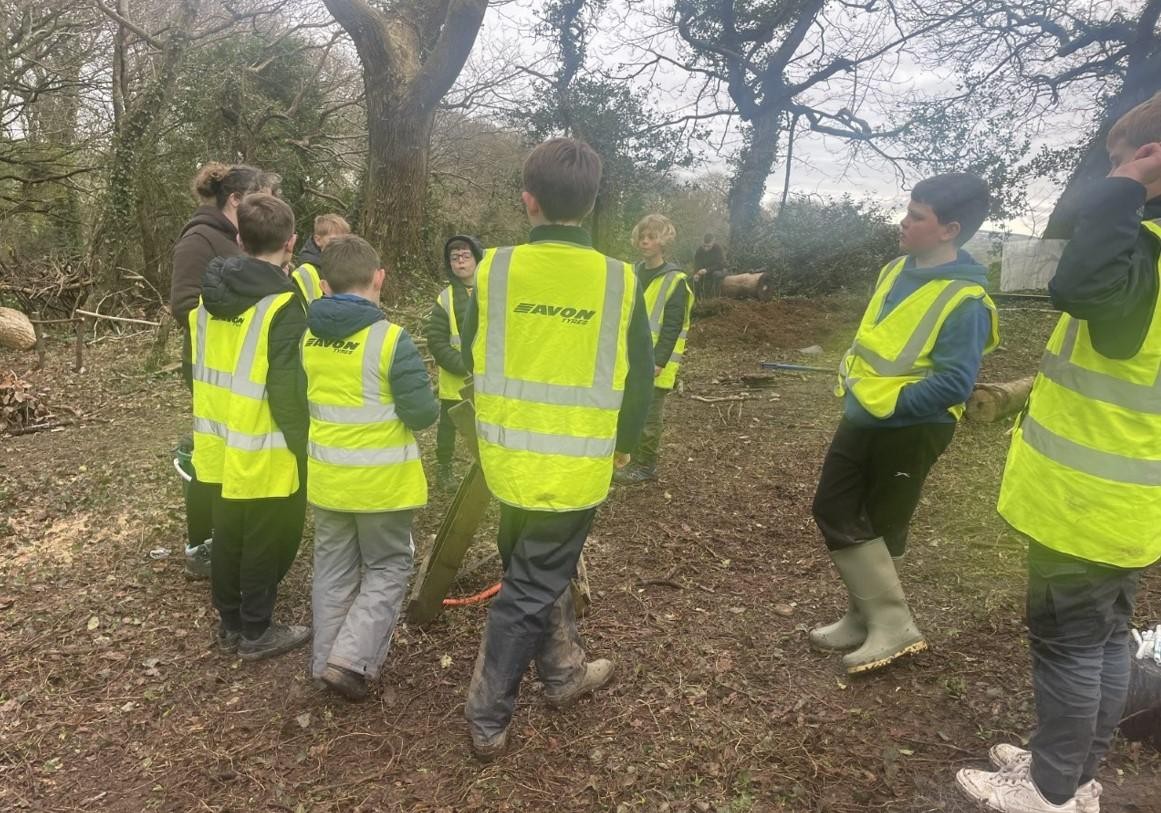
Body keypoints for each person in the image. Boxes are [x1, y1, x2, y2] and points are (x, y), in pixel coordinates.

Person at [956, 95, 1161, 813]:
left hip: (1085, 498)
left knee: (1071, 646)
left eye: (1124, 157)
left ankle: (1047, 790)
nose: (1112, 173)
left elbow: (1074, 287)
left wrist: (1122, 190)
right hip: (1128, 500)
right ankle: (1073, 771)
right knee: (1106, 641)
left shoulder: (1147, 253)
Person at [460, 138, 655, 760]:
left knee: (532, 569)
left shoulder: (491, 269)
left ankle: (566, 672)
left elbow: (470, 347)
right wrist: (623, 445)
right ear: (593, 203)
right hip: (576, 467)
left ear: (528, 201)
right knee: (531, 584)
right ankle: (486, 714)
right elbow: (642, 377)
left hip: (506, 456)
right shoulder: (621, 281)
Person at [809, 173, 998, 675]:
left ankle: (892, 628)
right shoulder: (895, 270)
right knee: (833, 506)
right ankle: (866, 615)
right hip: (864, 415)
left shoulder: (966, 301)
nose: (903, 223)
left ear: (948, 229)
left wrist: (887, 406)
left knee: (882, 520)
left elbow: (955, 383)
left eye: (917, 217)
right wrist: (863, 396)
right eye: (907, 211)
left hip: (913, 427)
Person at [302, 235, 439, 701]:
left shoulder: (307, 338)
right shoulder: (390, 339)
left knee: (333, 569)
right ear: (379, 277)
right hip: (381, 485)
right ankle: (351, 660)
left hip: (328, 480)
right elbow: (421, 413)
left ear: (323, 284)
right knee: (387, 567)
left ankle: (324, 660)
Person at [189, 192, 311, 661]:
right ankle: (258, 631)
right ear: (291, 242)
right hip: (264, 445)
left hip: (219, 439)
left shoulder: (206, 304)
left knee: (228, 533)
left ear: (240, 238)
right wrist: (304, 445)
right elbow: (287, 390)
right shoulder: (282, 308)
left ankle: (231, 623)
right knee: (264, 539)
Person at [171, 163, 279, 580]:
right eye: (261, 198)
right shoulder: (199, 238)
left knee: (238, 451)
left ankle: (231, 535)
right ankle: (200, 544)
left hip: (245, 364)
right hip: (212, 367)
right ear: (235, 199)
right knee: (212, 455)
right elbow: (184, 304)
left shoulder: (233, 238)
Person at [615, 214, 693, 485]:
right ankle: (623, 460)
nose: (645, 242)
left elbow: (673, 325)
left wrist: (658, 360)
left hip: (654, 363)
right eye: (642, 237)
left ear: (663, 242)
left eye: (651, 238)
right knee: (626, 409)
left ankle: (645, 465)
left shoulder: (675, 280)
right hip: (625, 357)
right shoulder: (630, 273)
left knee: (648, 416)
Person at [424, 234, 485, 491]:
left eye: (465, 256)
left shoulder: (491, 293)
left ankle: (487, 470)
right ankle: (444, 469)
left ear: (476, 259)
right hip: (455, 377)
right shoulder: (445, 299)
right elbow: (436, 341)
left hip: (486, 378)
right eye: (454, 257)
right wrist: (462, 364)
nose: (460, 262)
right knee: (448, 428)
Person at [292, 214, 351, 303]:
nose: (340, 245)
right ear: (318, 240)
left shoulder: (346, 266)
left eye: (344, 240)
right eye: (334, 240)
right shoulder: (306, 271)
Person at [693, 232, 726, 299]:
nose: (706, 248)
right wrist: (696, 273)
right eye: (704, 246)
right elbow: (697, 264)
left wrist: (707, 270)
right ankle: (698, 299)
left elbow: (720, 265)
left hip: (719, 270)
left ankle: (715, 297)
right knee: (694, 279)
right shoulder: (699, 250)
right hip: (705, 271)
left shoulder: (718, 249)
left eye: (708, 246)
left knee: (715, 274)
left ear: (713, 242)